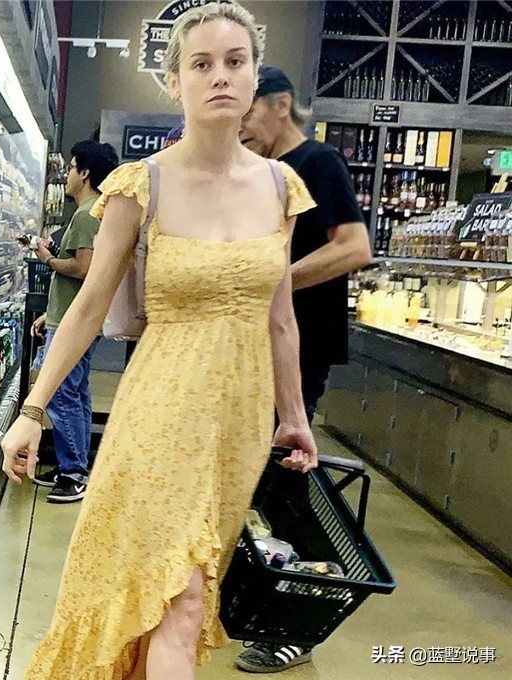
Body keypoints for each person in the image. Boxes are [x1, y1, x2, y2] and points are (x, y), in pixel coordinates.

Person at [2, 3, 317, 678]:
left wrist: (293, 416)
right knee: (180, 597)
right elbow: (88, 306)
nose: (220, 76)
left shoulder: (281, 187)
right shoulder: (140, 185)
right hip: (162, 409)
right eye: (201, 64)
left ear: (255, 75)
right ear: (174, 81)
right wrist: (33, 410)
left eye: (235, 61)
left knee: (182, 595)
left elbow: (280, 317)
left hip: (239, 421)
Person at [235, 66, 372, 674]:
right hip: (255, 351)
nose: (240, 125)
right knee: (255, 483)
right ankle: (261, 599)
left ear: (280, 104)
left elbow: (355, 247)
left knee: (284, 484)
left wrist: (275, 282)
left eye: (248, 111)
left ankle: (301, 620)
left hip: (301, 348)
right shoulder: (262, 175)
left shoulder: (317, 163)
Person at [30, 139, 119, 503]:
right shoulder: (94, 212)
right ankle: (74, 464)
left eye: (70, 167)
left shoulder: (86, 214)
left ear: (84, 172)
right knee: (76, 393)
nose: (66, 175)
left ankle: (73, 473)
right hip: (68, 316)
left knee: (60, 394)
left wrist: (47, 259)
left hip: (72, 322)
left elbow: (83, 268)